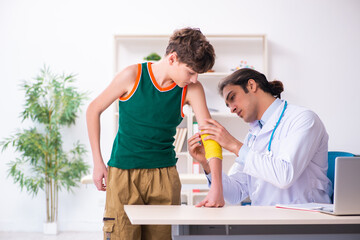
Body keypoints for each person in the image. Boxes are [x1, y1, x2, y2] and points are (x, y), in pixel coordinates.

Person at [86, 27, 224, 240]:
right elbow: (93, 110)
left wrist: (216, 186)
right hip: (123, 174)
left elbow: (210, 134)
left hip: (164, 177)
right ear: (172, 59)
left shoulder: (192, 90)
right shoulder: (131, 76)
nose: (195, 79)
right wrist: (97, 162)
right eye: (191, 71)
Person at [188, 68, 332, 206]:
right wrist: (206, 164)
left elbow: (285, 175)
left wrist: (234, 145)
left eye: (232, 97)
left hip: (305, 221)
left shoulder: (303, 119)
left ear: (251, 85)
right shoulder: (253, 135)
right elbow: (235, 193)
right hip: (265, 219)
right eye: (228, 105)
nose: (232, 109)